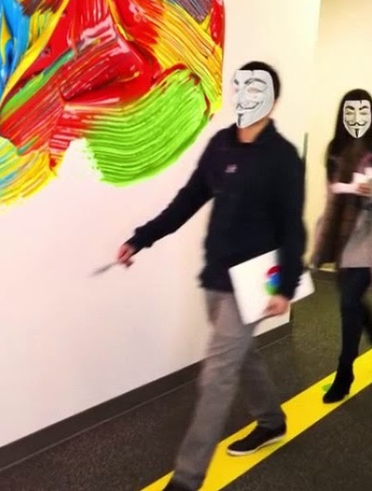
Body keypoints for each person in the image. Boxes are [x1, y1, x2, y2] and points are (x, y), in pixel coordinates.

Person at [115, 61, 305, 491]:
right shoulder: (221, 145)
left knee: (217, 373)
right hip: (216, 273)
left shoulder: (283, 157)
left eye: (257, 88)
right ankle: (272, 421)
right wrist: (142, 238)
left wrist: (286, 285)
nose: (246, 95)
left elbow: (292, 227)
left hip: (254, 279)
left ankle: (187, 478)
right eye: (241, 87)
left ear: (273, 100)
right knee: (242, 354)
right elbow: (188, 199)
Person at [309, 88, 372, 404]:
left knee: (349, 303)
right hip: (340, 235)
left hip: (369, 236)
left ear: (371, 113)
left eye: (362, 111)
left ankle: (345, 373)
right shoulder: (335, 149)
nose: (356, 118)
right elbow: (331, 195)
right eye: (349, 112)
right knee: (352, 302)